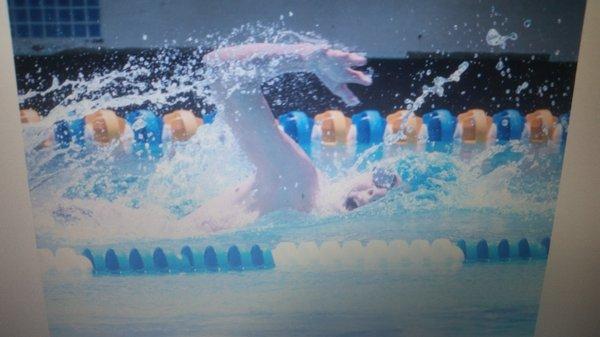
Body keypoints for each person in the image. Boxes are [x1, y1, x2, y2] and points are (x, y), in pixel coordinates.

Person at [184, 42, 400, 230]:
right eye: (382, 180)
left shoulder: (305, 202)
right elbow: (223, 66)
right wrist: (306, 58)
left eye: (385, 190)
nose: (377, 193)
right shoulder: (300, 184)